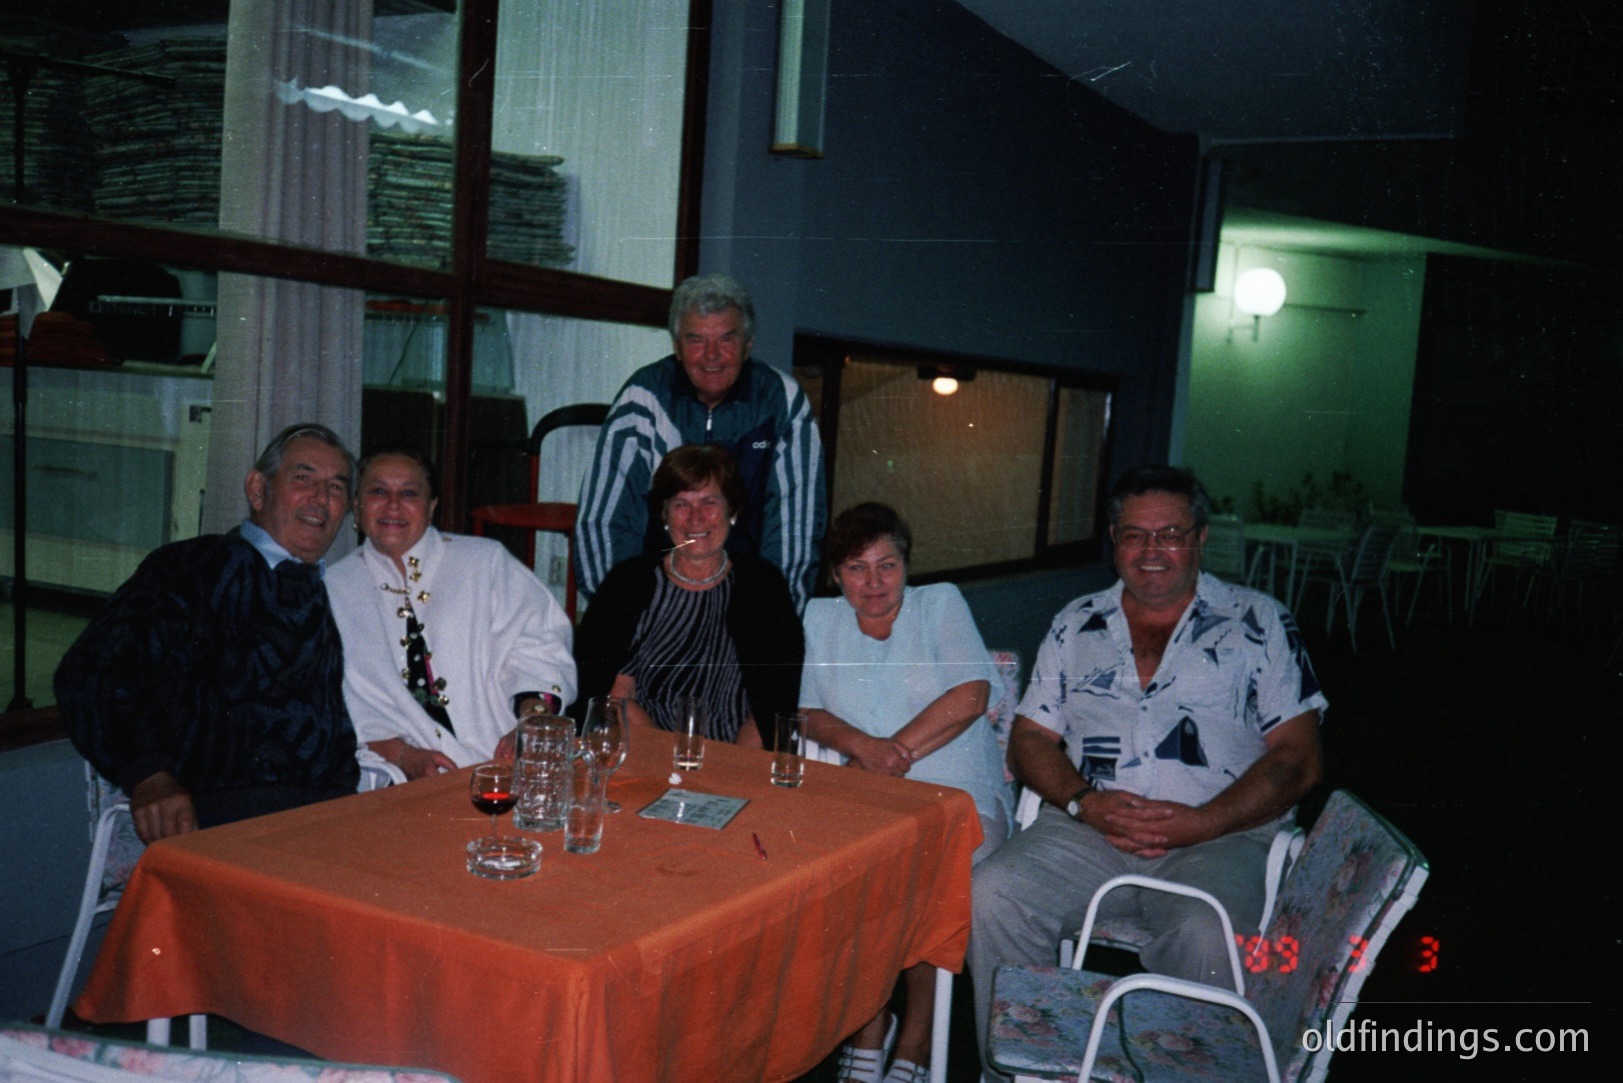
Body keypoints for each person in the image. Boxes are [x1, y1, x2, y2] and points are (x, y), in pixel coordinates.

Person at [969, 465, 1326, 1080]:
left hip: (1222, 837)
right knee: (991, 894)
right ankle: (1023, 1072)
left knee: (1202, 932)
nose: (1151, 551)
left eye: (1170, 534)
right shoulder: (1076, 621)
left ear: (1201, 538)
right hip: (1086, 831)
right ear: (1114, 538)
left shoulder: (1260, 623)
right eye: (1135, 535)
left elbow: (1299, 758)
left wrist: (1204, 822)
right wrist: (1084, 802)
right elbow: (1029, 740)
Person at [56, 423, 363, 844]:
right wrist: (148, 774)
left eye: (336, 487)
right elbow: (91, 673)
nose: (320, 499)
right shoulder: (193, 569)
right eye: (303, 478)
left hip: (329, 816)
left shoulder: (332, 591)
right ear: (258, 490)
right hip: (223, 818)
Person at [799, 502, 1012, 1083]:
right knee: (833, 869)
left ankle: (915, 1032)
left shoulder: (938, 604)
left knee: (922, 874)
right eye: (856, 568)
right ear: (835, 574)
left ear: (907, 565)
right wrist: (864, 749)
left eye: (886, 565)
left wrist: (894, 752)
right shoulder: (819, 618)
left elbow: (972, 694)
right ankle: (870, 1019)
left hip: (955, 788)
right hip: (866, 791)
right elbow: (806, 710)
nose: (873, 583)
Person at [575, 272, 826, 611]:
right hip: (653, 603)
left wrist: (772, 618)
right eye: (696, 340)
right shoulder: (643, 399)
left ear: (748, 344)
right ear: (677, 347)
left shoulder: (781, 400)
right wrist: (621, 615)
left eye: (726, 339)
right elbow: (603, 523)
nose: (712, 356)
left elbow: (795, 531)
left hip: (744, 604)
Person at [326, 444, 577, 779]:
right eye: (378, 491)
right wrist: (403, 756)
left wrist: (531, 721)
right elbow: (334, 708)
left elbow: (538, 644)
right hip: (394, 777)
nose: (393, 504)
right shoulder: (332, 588)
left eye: (410, 493)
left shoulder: (483, 562)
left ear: (431, 507)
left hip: (506, 761)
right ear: (356, 506)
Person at [574, 444, 803, 747]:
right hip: (643, 746)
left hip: (737, 756)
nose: (696, 518)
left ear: (732, 510)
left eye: (709, 502)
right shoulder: (627, 583)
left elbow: (771, 705)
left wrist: (736, 773)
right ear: (664, 514)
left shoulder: (763, 587)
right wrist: (672, 763)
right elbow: (614, 695)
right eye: (681, 504)